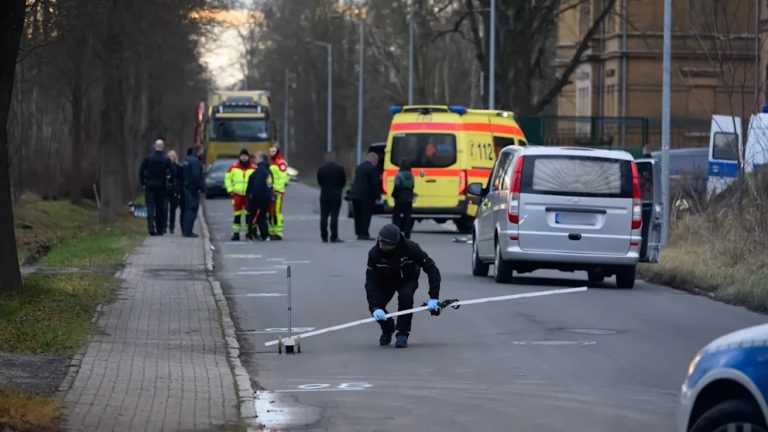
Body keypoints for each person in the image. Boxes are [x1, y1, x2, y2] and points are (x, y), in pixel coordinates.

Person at [365, 224, 441, 348]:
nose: (381, 246)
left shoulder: (412, 248)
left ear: (394, 244)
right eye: (380, 242)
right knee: (375, 306)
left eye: (384, 244)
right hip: (385, 280)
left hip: (407, 278)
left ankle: (402, 333)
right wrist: (375, 307)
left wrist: (434, 297)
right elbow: (370, 282)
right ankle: (387, 328)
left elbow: (432, 270)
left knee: (406, 297)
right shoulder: (374, 254)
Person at [139, 139, 172, 236]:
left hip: (150, 185)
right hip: (161, 186)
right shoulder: (166, 159)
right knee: (160, 208)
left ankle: (150, 227)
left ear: (154, 146)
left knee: (150, 206)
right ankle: (160, 229)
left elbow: (141, 171)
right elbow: (172, 172)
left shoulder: (148, 158)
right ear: (163, 147)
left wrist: (143, 183)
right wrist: (169, 181)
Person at [225, 149, 256, 241]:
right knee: (237, 215)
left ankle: (248, 233)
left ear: (248, 157)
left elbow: (256, 181)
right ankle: (236, 234)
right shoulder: (233, 167)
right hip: (237, 194)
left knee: (248, 215)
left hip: (248, 195)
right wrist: (230, 190)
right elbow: (227, 179)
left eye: (245, 156)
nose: (244, 158)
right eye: (242, 156)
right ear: (239, 157)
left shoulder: (253, 168)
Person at [316, 152, 347, 243]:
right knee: (334, 217)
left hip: (324, 195)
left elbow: (319, 181)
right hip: (336, 195)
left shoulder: (321, 169)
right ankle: (334, 236)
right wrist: (339, 188)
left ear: (326, 158)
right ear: (334, 158)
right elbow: (343, 181)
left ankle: (324, 236)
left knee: (323, 217)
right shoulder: (339, 169)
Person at [349, 152, 380, 240]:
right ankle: (364, 233)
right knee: (366, 215)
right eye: (376, 161)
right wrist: (377, 195)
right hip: (367, 196)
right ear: (374, 159)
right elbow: (374, 183)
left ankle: (358, 232)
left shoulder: (359, 167)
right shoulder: (372, 169)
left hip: (355, 195)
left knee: (358, 215)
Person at [246, 152, 273, 241]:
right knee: (262, 217)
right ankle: (264, 234)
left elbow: (257, 186)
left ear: (261, 159)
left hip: (257, 198)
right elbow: (269, 184)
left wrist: (252, 196)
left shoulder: (260, 171)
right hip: (265, 197)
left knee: (255, 216)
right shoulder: (267, 170)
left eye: (256, 157)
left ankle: (253, 235)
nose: (254, 159)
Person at [181, 146, 204, 237]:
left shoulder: (186, 160)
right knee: (192, 208)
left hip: (185, 187)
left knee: (186, 209)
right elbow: (196, 175)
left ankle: (185, 230)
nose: (202, 152)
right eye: (201, 150)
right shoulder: (195, 161)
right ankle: (188, 231)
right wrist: (200, 186)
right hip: (192, 188)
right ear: (198, 151)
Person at [268, 145, 289, 240]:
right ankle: (271, 231)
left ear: (277, 152)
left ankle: (278, 232)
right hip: (270, 191)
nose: (271, 153)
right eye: (270, 151)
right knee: (270, 211)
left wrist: (277, 190)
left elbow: (282, 178)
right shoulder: (271, 162)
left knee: (277, 211)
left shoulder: (281, 163)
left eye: (273, 151)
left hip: (277, 192)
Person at [391, 158, 415, 239]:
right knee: (407, 218)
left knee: (396, 217)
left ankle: (396, 234)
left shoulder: (399, 175)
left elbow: (397, 186)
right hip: (409, 199)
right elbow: (412, 186)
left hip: (400, 199)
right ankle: (407, 234)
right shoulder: (411, 176)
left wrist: (394, 195)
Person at [166, 150, 182, 234]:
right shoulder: (165, 166)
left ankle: (172, 226)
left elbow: (179, 179)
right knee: (164, 208)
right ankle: (164, 225)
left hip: (174, 190)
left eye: (172, 156)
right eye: (169, 156)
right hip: (165, 190)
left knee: (173, 209)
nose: (170, 158)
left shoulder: (177, 167)